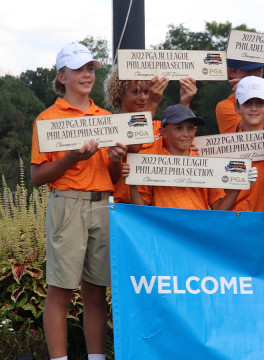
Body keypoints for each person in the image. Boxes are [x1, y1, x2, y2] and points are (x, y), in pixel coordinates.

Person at [30, 43, 127, 360]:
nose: (86, 75)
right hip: (67, 205)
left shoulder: (105, 118)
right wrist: (72, 157)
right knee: (61, 291)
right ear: (62, 76)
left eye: (90, 69)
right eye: (78, 69)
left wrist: (117, 159)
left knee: (97, 292)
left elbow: (111, 176)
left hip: (103, 204)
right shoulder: (47, 119)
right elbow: (37, 177)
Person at [129, 104, 252, 210]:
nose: (186, 134)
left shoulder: (206, 164)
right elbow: (141, 208)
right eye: (179, 128)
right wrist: (132, 183)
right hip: (166, 233)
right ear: (163, 132)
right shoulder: (152, 163)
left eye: (190, 128)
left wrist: (239, 185)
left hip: (196, 233)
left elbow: (219, 207)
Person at [103, 66, 198, 203]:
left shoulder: (159, 127)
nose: (143, 98)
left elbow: (181, 143)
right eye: (136, 92)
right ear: (120, 93)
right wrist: (153, 102)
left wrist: (185, 101)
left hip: (155, 208)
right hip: (122, 208)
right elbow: (134, 146)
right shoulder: (112, 126)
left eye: (147, 92)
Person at [230, 76, 264, 212]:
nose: (254, 108)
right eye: (247, 103)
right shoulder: (223, 149)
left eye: (260, 103)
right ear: (237, 107)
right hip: (237, 221)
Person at [215, 58, 264, 133]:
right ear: (231, 72)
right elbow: (255, 130)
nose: (253, 75)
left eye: (258, 70)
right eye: (247, 70)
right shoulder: (225, 106)